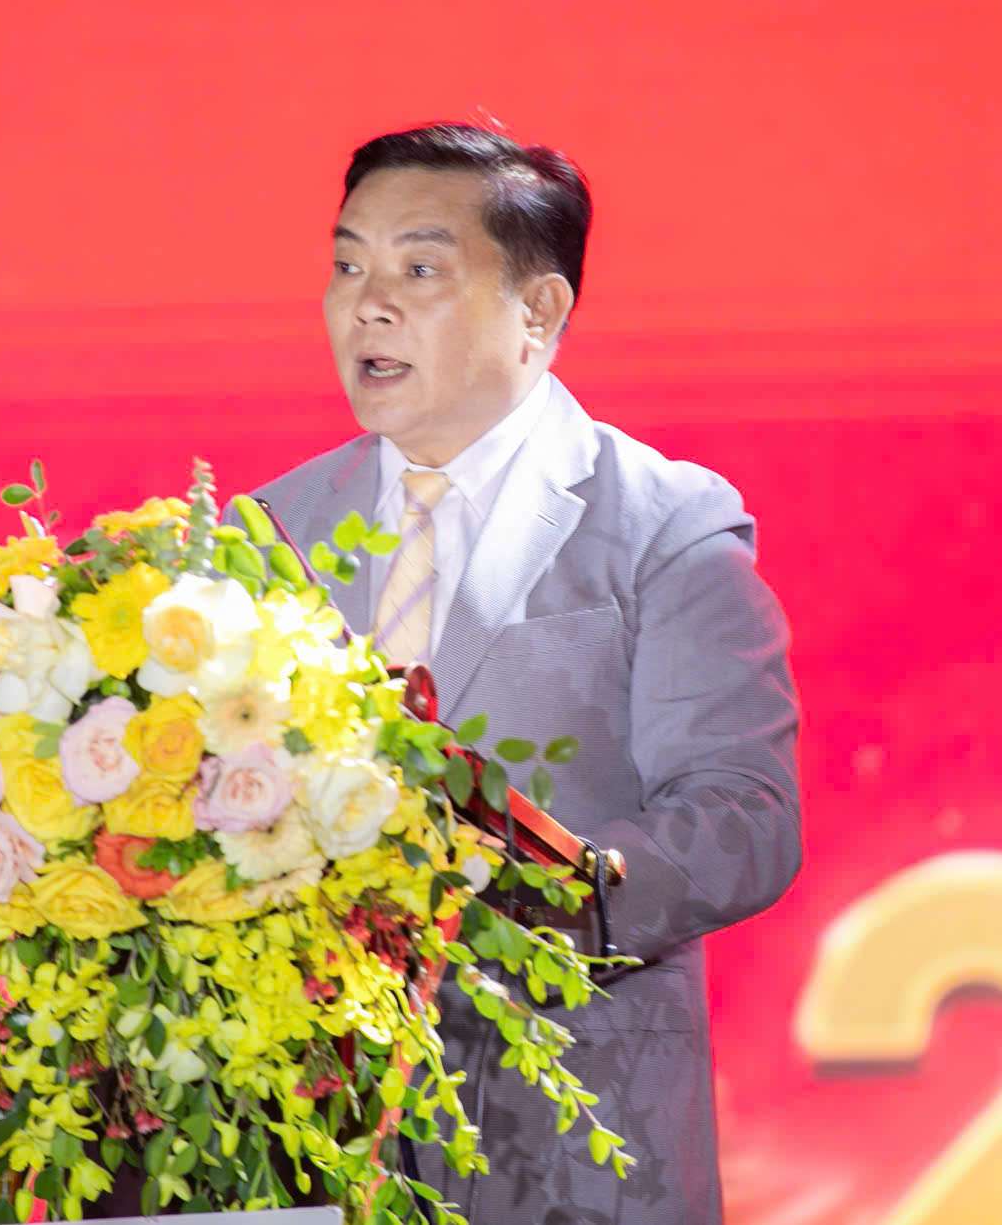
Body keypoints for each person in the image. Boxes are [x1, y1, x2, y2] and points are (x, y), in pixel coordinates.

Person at [253, 123, 803, 1225]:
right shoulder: (269, 530)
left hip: (570, 1139)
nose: (368, 305)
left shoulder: (664, 525)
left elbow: (744, 816)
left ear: (539, 311)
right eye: (348, 265)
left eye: (419, 270)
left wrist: (536, 891)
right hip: (312, 1145)